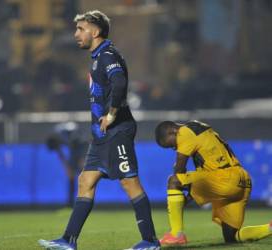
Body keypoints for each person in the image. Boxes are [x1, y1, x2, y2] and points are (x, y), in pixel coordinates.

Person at [39, 10, 160, 250]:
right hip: (101, 135)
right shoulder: (97, 57)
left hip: (117, 130)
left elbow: (120, 83)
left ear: (95, 31)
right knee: (86, 181)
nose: (76, 34)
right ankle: (68, 240)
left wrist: (112, 114)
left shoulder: (107, 54)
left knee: (130, 183)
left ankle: (150, 241)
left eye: (81, 29)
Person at [154, 120, 272, 247]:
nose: (174, 148)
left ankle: (176, 234)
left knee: (173, 180)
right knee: (232, 236)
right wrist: (185, 200)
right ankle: (269, 228)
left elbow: (179, 169)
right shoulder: (198, 128)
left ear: (172, 131)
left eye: (171, 144)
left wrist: (177, 191)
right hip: (241, 180)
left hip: (225, 178)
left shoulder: (184, 132)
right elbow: (204, 184)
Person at [46, 122, 87, 206]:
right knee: (71, 177)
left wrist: (82, 159)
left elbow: (84, 145)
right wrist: (67, 167)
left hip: (81, 148)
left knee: (82, 176)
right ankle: (70, 203)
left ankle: (84, 202)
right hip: (76, 149)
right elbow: (60, 153)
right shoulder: (58, 138)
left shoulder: (72, 134)